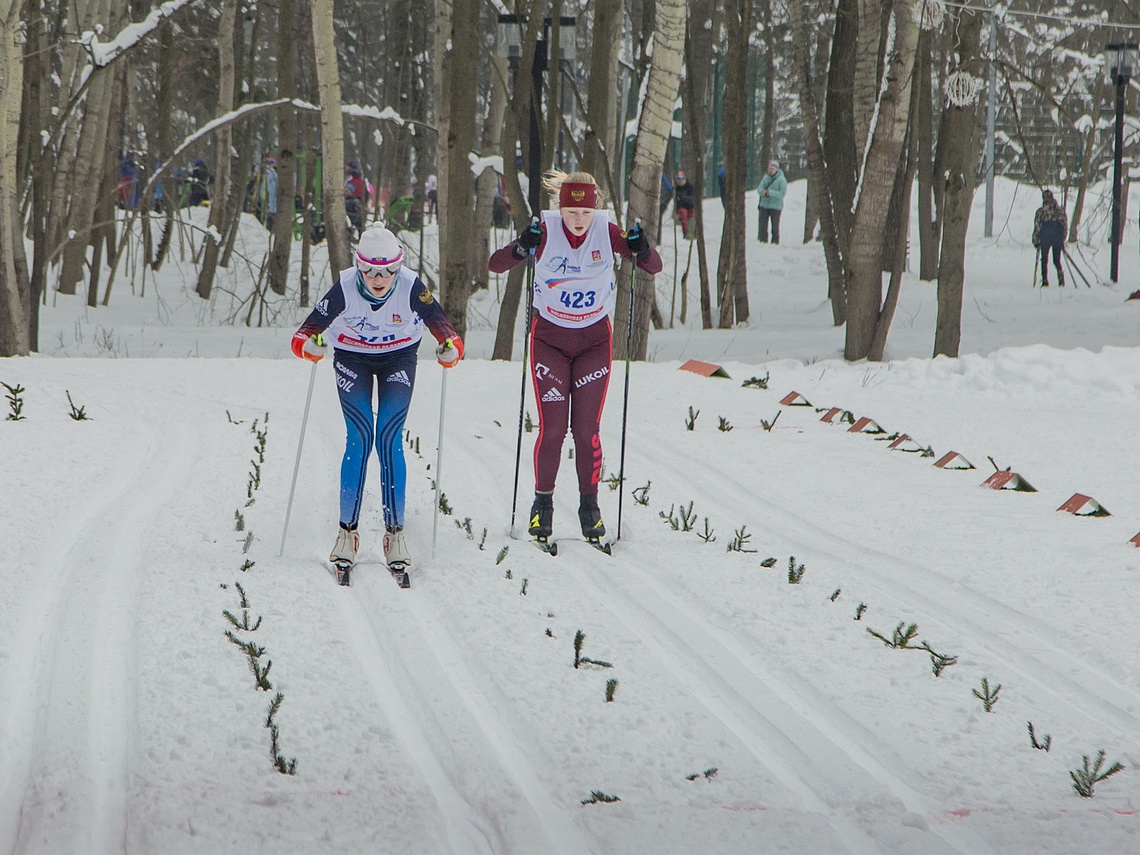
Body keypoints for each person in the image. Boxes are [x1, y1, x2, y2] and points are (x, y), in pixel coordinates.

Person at [487, 170, 663, 544]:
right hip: (549, 341)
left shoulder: (606, 230)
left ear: (595, 207)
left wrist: (641, 247)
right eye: (570, 212)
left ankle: (590, 509)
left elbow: (653, 266)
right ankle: (542, 507)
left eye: (584, 212)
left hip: (593, 344)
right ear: (560, 207)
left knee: (586, 431)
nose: (578, 220)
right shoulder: (546, 230)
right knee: (552, 430)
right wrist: (522, 246)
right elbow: (495, 264)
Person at [290, 226, 464, 583]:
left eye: (387, 270)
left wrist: (451, 349)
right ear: (359, 265)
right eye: (369, 270)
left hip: (399, 358)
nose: (378, 278)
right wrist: (309, 347)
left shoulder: (412, 286)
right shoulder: (345, 286)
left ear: (399, 267)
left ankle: (395, 534)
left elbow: (445, 328)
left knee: (388, 437)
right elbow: (303, 333)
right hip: (351, 358)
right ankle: (347, 533)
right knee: (359, 436)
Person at [1032, 189, 1067, 287]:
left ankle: (1045, 280)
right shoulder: (1060, 211)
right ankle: (1061, 279)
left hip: (1045, 237)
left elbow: (1037, 226)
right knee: (1057, 260)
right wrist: (1063, 238)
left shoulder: (1041, 211)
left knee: (1044, 260)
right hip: (1057, 238)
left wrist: (1035, 239)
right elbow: (1064, 224)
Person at [757, 160, 787, 244]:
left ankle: (775, 242)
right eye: (769, 168)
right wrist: (761, 192)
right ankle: (762, 241)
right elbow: (759, 188)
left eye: (772, 169)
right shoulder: (765, 178)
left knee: (775, 226)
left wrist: (769, 193)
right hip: (764, 205)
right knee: (762, 225)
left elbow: (782, 193)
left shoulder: (782, 180)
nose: (770, 170)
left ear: (777, 170)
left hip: (775, 207)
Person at [344, 159, 370, 237]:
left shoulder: (351, 182)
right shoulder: (361, 182)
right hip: (359, 202)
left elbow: (348, 190)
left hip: (354, 202)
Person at [674, 171, 695, 239]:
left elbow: (692, 199)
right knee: (683, 214)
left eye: (682, 179)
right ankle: (686, 234)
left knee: (692, 219)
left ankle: (694, 234)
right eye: (678, 179)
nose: (680, 181)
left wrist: (683, 198)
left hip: (691, 207)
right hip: (682, 208)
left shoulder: (690, 187)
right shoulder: (676, 189)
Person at [264, 156, 278, 230]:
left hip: (272, 204)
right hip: (273, 205)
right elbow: (272, 190)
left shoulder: (272, 173)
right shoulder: (271, 173)